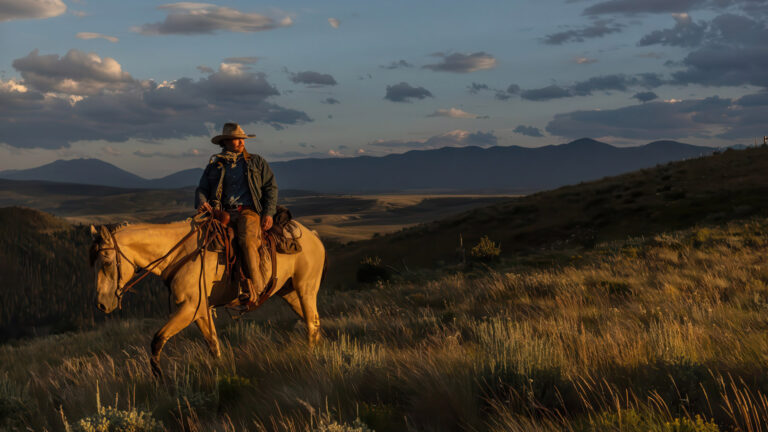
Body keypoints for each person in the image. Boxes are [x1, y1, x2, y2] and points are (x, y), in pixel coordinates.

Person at [195, 122, 277, 301]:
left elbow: (270, 187)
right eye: (237, 139)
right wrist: (202, 202)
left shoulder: (256, 162)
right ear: (225, 142)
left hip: (248, 211)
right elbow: (202, 188)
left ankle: (256, 288)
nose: (241, 142)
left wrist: (269, 213)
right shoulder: (215, 165)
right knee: (199, 238)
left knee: (247, 241)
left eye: (242, 139)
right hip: (222, 213)